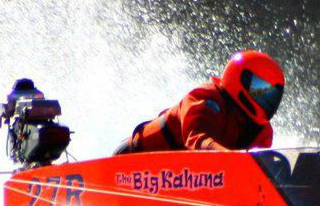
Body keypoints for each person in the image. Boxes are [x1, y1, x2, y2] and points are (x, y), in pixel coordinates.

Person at [115, 50, 284, 153]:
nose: (266, 100)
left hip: (187, 184)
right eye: (260, 90)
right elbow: (197, 139)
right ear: (241, 79)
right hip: (130, 164)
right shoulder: (204, 98)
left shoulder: (262, 132)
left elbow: (258, 171)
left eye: (270, 95)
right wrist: (232, 158)